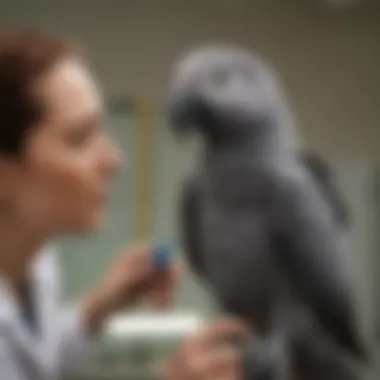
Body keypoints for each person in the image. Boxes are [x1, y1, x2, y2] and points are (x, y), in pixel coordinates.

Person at [0, 29, 250, 380]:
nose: (114, 159)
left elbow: (41, 360)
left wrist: (101, 306)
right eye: (81, 138)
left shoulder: (34, 259)